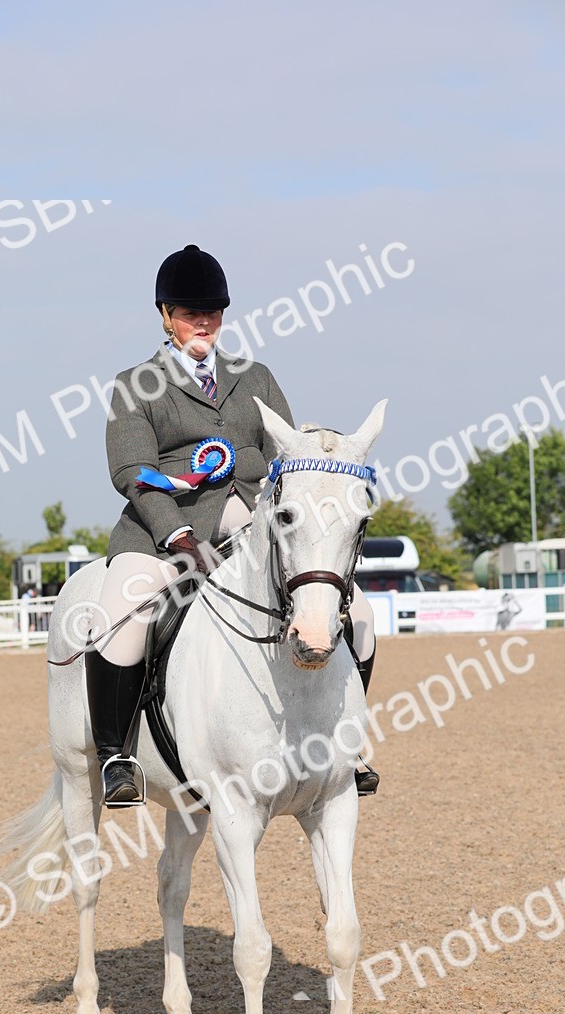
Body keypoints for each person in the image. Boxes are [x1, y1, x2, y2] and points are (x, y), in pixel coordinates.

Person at [87, 244, 380, 806]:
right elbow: (131, 472)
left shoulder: (255, 377)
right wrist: (177, 536)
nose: (205, 322)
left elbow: (288, 457)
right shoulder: (134, 384)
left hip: (252, 528)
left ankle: (347, 742)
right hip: (159, 532)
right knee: (121, 615)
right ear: (166, 315)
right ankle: (115, 757)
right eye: (192, 312)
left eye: (214, 312)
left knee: (357, 613)